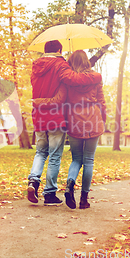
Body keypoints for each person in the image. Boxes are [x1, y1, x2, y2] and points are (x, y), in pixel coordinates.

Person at [27, 40, 102, 206]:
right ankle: (50, 194)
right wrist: (96, 76)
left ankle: (33, 180)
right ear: (59, 49)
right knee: (56, 156)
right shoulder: (61, 66)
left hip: (39, 116)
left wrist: (37, 102)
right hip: (56, 118)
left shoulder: (35, 66)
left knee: (40, 153)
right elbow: (74, 80)